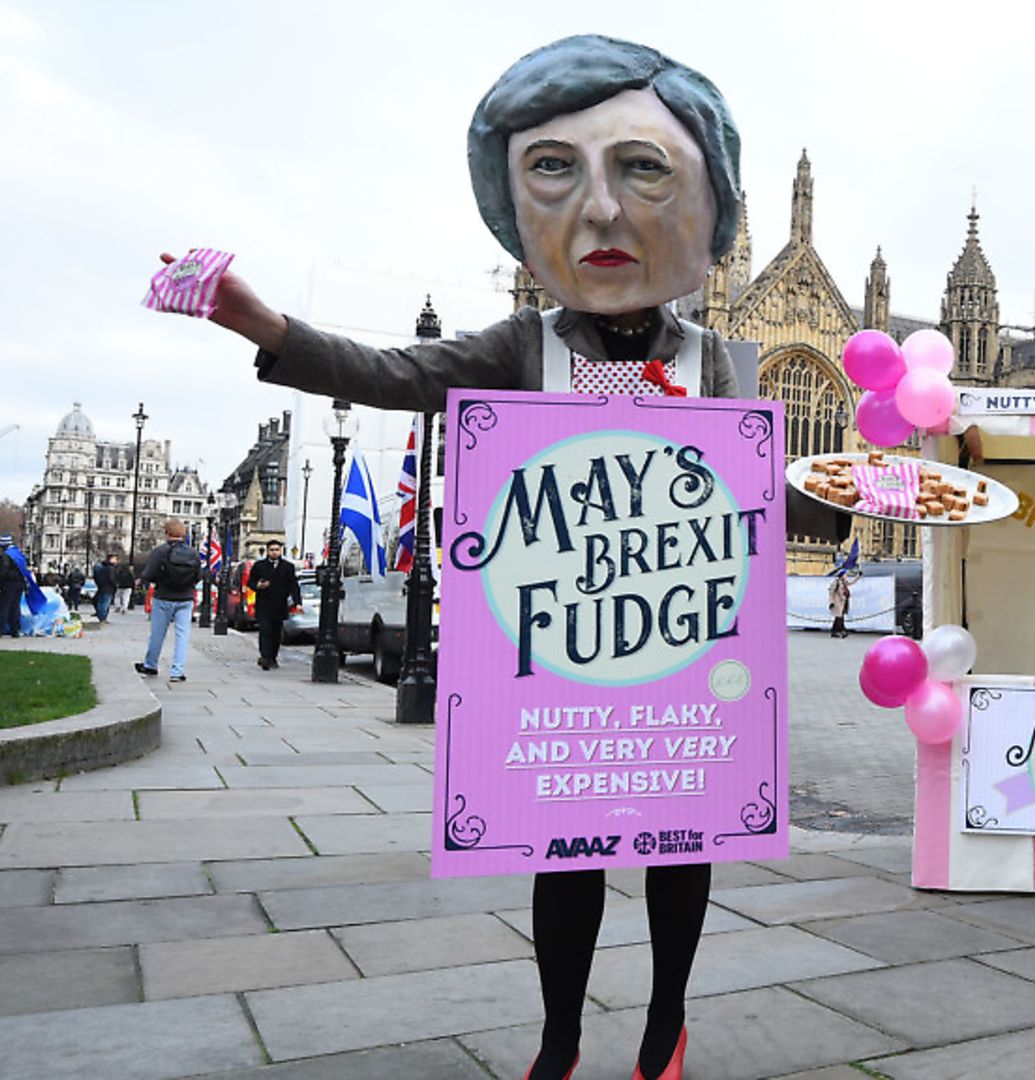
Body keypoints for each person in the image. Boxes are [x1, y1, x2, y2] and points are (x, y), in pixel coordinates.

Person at [174, 36, 846, 1080]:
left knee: (685, 844)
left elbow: (764, 486)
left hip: (679, 634)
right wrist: (267, 326)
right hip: (562, 639)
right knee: (565, 847)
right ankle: (560, 1040)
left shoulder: (720, 359)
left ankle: (665, 1033)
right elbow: (390, 370)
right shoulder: (520, 347)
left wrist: (871, 493)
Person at [134, 519, 202, 683]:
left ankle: (151, 664)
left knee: (157, 634)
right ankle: (177, 671)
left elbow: (149, 574)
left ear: (167, 533)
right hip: (185, 598)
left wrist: (144, 580)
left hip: (163, 596)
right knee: (182, 635)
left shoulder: (160, 551)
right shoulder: (193, 553)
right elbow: (199, 576)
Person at [247, 540, 300, 669]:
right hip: (264, 604)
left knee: (276, 634)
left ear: (281, 550)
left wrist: (297, 602)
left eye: (277, 549)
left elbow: (293, 586)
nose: (274, 552)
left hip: (279, 605)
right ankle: (265, 657)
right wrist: (258, 586)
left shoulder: (288, 567)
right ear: (267, 551)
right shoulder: (259, 565)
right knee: (265, 631)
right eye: (272, 550)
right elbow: (251, 582)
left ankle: (273, 657)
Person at [0, 534, 32, 638]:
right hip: (20, 583)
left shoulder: (5, 556)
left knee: (3, 607)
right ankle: (15, 630)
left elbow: (2, 572)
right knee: (15, 607)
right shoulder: (19, 554)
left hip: (8, 583)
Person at [93, 555, 119, 623]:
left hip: (101, 588)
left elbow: (96, 577)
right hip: (108, 588)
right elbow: (112, 578)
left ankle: (101, 616)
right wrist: (115, 585)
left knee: (101, 602)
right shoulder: (111, 568)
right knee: (105, 603)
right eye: (115, 559)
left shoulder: (101, 568)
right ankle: (103, 617)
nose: (116, 561)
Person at [827, 571, 851, 638]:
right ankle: (841, 631)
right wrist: (831, 601)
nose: (846, 576)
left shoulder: (844, 582)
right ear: (842, 575)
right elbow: (831, 592)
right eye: (845, 575)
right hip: (837, 601)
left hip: (842, 601)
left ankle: (834, 631)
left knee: (839, 617)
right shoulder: (836, 582)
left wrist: (858, 576)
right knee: (839, 617)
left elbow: (851, 583)